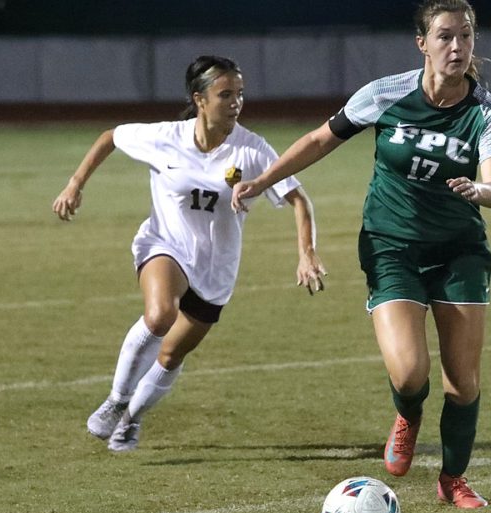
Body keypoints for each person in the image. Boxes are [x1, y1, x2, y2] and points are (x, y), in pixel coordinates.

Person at [232, 0, 491, 509]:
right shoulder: (386, 93)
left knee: (463, 384)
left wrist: (480, 190)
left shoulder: (485, 110)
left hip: (460, 251)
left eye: (466, 36)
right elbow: (320, 140)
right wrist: (264, 180)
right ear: (422, 43)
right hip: (391, 245)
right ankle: (408, 414)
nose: (457, 47)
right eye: (445, 36)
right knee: (409, 373)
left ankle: (453, 479)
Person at [52, 55, 326, 452]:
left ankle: (132, 419)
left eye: (240, 94)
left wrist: (307, 253)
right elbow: (111, 137)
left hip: (216, 269)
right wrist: (75, 184)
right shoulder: (166, 137)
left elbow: (299, 199)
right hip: (165, 245)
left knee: (170, 354)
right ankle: (116, 401)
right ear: (199, 99)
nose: (236, 102)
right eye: (225, 94)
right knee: (160, 315)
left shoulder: (252, 150)